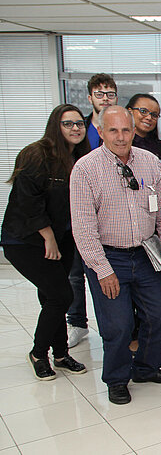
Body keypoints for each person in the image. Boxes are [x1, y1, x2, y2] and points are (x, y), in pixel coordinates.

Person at [70, 106, 161, 405]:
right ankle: (116, 379)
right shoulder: (86, 169)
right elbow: (83, 227)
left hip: (145, 253)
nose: (120, 137)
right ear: (101, 132)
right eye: (113, 130)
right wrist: (101, 269)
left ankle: (145, 368)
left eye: (126, 130)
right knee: (117, 326)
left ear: (134, 130)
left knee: (159, 317)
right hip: (108, 256)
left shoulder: (150, 163)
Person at [2, 104, 90, 380]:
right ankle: (39, 353)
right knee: (62, 294)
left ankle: (61, 354)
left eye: (79, 123)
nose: (75, 128)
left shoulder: (80, 157)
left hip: (61, 236)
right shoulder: (36, 153)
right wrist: (48, 238)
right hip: (25, 239)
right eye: (68, 124)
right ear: (56, 126)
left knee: (52, 296)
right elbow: (29, 201)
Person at [66, 73, 118, 348]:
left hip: (113, 214)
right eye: (100, 94)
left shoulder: (121, 124)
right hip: (83, 209)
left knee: (109, 275)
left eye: (110, 93)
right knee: (77, 271)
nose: (106, 98)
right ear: (90, 98)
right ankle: (76, 321)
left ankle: (117, 327)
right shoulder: (81, 128)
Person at [128, 94, 161, 193]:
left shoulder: (160, 147)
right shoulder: (122, 145)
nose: (149, 117)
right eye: (143, 111)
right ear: (130, 111)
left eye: (154, 115)